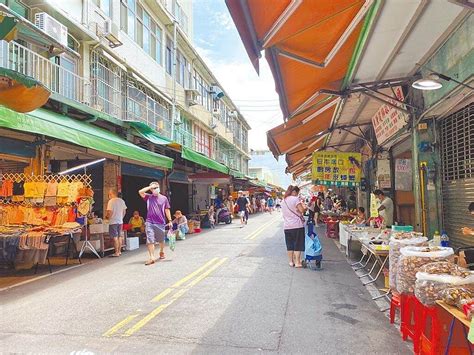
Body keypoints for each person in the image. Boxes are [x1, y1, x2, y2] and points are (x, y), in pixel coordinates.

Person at [139, 181, 172, 266]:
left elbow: (167, 210)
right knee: (150, 240)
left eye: (156, 187)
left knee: (161, 240)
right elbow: (140, 192)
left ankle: (161, 251)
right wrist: (150, 187)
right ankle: (152, 257)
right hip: (150, 222)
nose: (155, 189)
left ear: (159, 188)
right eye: (153, 188)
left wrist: (170, 220)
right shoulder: (148, 197)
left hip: (160, 222)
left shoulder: (164, 198)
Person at [282, 185, 306, 268]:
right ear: (294, 191)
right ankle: (297, 262)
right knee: (297, 244)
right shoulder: (295, 199)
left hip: (287, 226)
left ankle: (291, 262)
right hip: (297, 225)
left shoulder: (283, 200)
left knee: (290, 244)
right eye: (297, 192)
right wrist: (305, 207)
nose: (297, 194)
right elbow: (302, 210)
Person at [106, 189, 127, 257]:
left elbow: (110, 212)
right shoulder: (122, 201)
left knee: (115, 237)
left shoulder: (111, 201)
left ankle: (116, 252)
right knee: (119, 236)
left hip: (113, 222)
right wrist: (121, 218)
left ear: (111, 194)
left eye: (109, 194)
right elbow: (124, 212)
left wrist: (107, 218)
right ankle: (119, 251)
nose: (108, 196)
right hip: (120, 221)